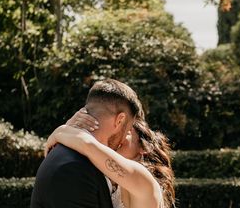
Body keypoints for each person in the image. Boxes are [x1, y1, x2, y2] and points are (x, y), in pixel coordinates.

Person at [30, 79, 143, 208]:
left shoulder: (67, 151)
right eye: (127, 130)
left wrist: (61, 130)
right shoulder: (73, 169)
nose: (123, 140)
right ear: (119, 120)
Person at [45, 110, 175, 208]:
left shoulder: (143, 180)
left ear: (144, 148)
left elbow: (88, 145)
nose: (118, 136)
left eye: (127, 132)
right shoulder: (111, 182)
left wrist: (62, 130)